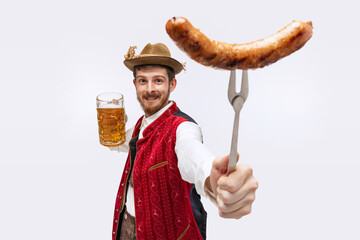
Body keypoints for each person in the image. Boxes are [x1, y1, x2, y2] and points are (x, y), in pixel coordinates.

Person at [110, 43, 258, 240]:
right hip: (126, 229)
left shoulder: (183, 128)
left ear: (172, 85)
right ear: (135, 84)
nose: (150, 89)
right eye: (143, 81)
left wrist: (212, 180)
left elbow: (193, 154)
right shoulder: (140, 125)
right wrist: (112, 130)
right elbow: (124, 142)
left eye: (158, 81)